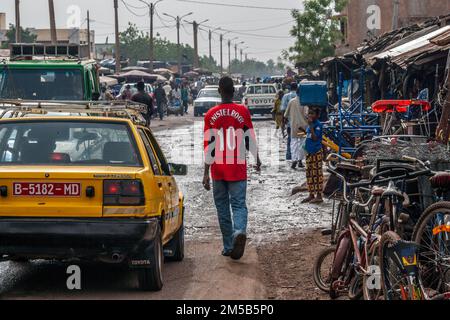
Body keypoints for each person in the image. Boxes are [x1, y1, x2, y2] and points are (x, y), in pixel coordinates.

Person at [203, 76, 262, 260]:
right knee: (238, 205)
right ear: (234, 91)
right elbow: (249, 138)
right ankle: (239, 232)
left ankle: (229, 246)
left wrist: (205, 173)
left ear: (219, 91)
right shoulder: (242, 111)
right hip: (237, 167)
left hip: (218, 170)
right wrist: (257, 159)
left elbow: (209, 145)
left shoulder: (210, 114)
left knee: (222, 207)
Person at [302, 107, 324, 204]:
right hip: (309, 152)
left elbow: (315, 138)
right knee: (309, 173)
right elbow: (309, 136)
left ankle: (319, 196)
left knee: (317, 174)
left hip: (316, 152)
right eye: (309, 113)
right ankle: (311, 194)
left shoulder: (318, 125)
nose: (310, 115)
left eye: (312, 114)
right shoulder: (310, 125)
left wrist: (310, 126)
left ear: (317, 115)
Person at [284, 87, 308, 169]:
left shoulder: (291, 101)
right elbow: (306, 114)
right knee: (302, 144)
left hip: (293, 126)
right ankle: (300, 161)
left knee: (293, 143)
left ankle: (294, 159)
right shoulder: (304, 102)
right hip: (303, 127)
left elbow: (286, 114)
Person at [281, 82, 298, 161]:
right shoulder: (300, 97)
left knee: (290, 139)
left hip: (290, 123)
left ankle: (289, 155)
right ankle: (298, 157)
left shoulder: (286, 96)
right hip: (300, 123)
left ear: (290, 88)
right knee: (300, 140)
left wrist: (283, 122)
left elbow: (283, 110)